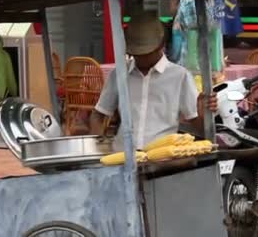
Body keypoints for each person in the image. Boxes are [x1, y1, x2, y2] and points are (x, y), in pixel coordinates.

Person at [89, 14, 218, 151]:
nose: (140, 57)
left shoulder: (180, 76)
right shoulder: (119, 74)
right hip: (122, 155)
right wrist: (95, 149)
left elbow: (199, 128)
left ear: (160, 46)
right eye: (136, 53)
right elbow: (98, 114)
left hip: (162, 159)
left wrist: (202, 114)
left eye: (146, 52)